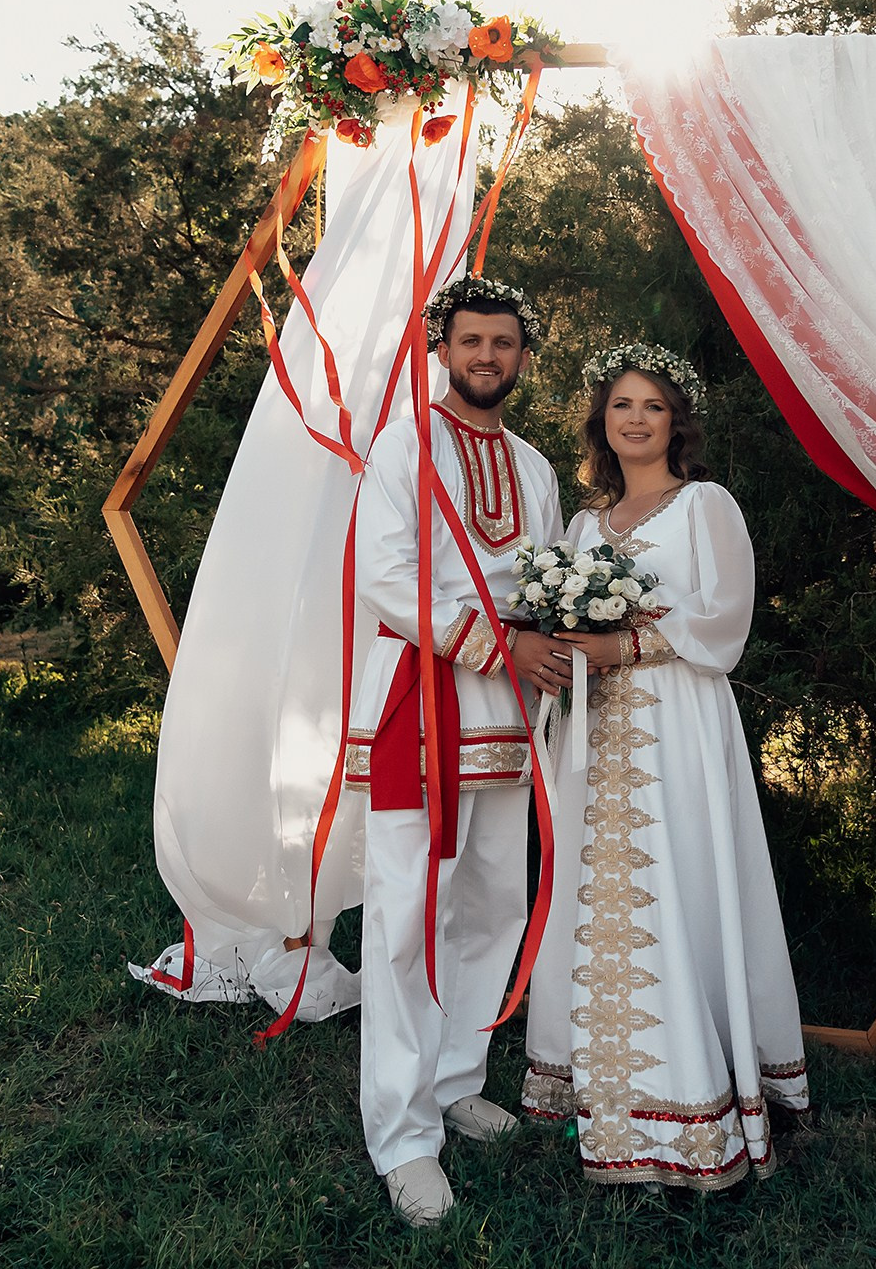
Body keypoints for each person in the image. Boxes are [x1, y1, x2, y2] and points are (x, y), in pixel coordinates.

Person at [521, 343, 810, 1189]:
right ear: (601, 423)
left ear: (674, 420)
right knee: (591, 887)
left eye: (651, 405)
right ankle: (594, 1081)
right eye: (621, 406)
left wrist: (628, 642)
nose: (635, 419)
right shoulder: (579, 528)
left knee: (680, 880)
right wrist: (567, 650)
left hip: (676, 723)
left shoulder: (704, 506)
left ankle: (692, 1090)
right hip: (595, 729)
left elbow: (726, 619)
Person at [349, 276, 571, 1225]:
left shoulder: (534, 465)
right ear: (442, 349)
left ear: (524, 356)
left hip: (511, 714)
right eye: (472, 340)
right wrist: (497, 640)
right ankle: (401, 1138)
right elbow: (385, 577)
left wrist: (555, 641)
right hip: (424, 701)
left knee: (494, 902)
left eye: (505, 343)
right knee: (406, 916)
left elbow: (553, 573)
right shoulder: (403, 445)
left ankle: (454, 1079)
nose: (488, 356)